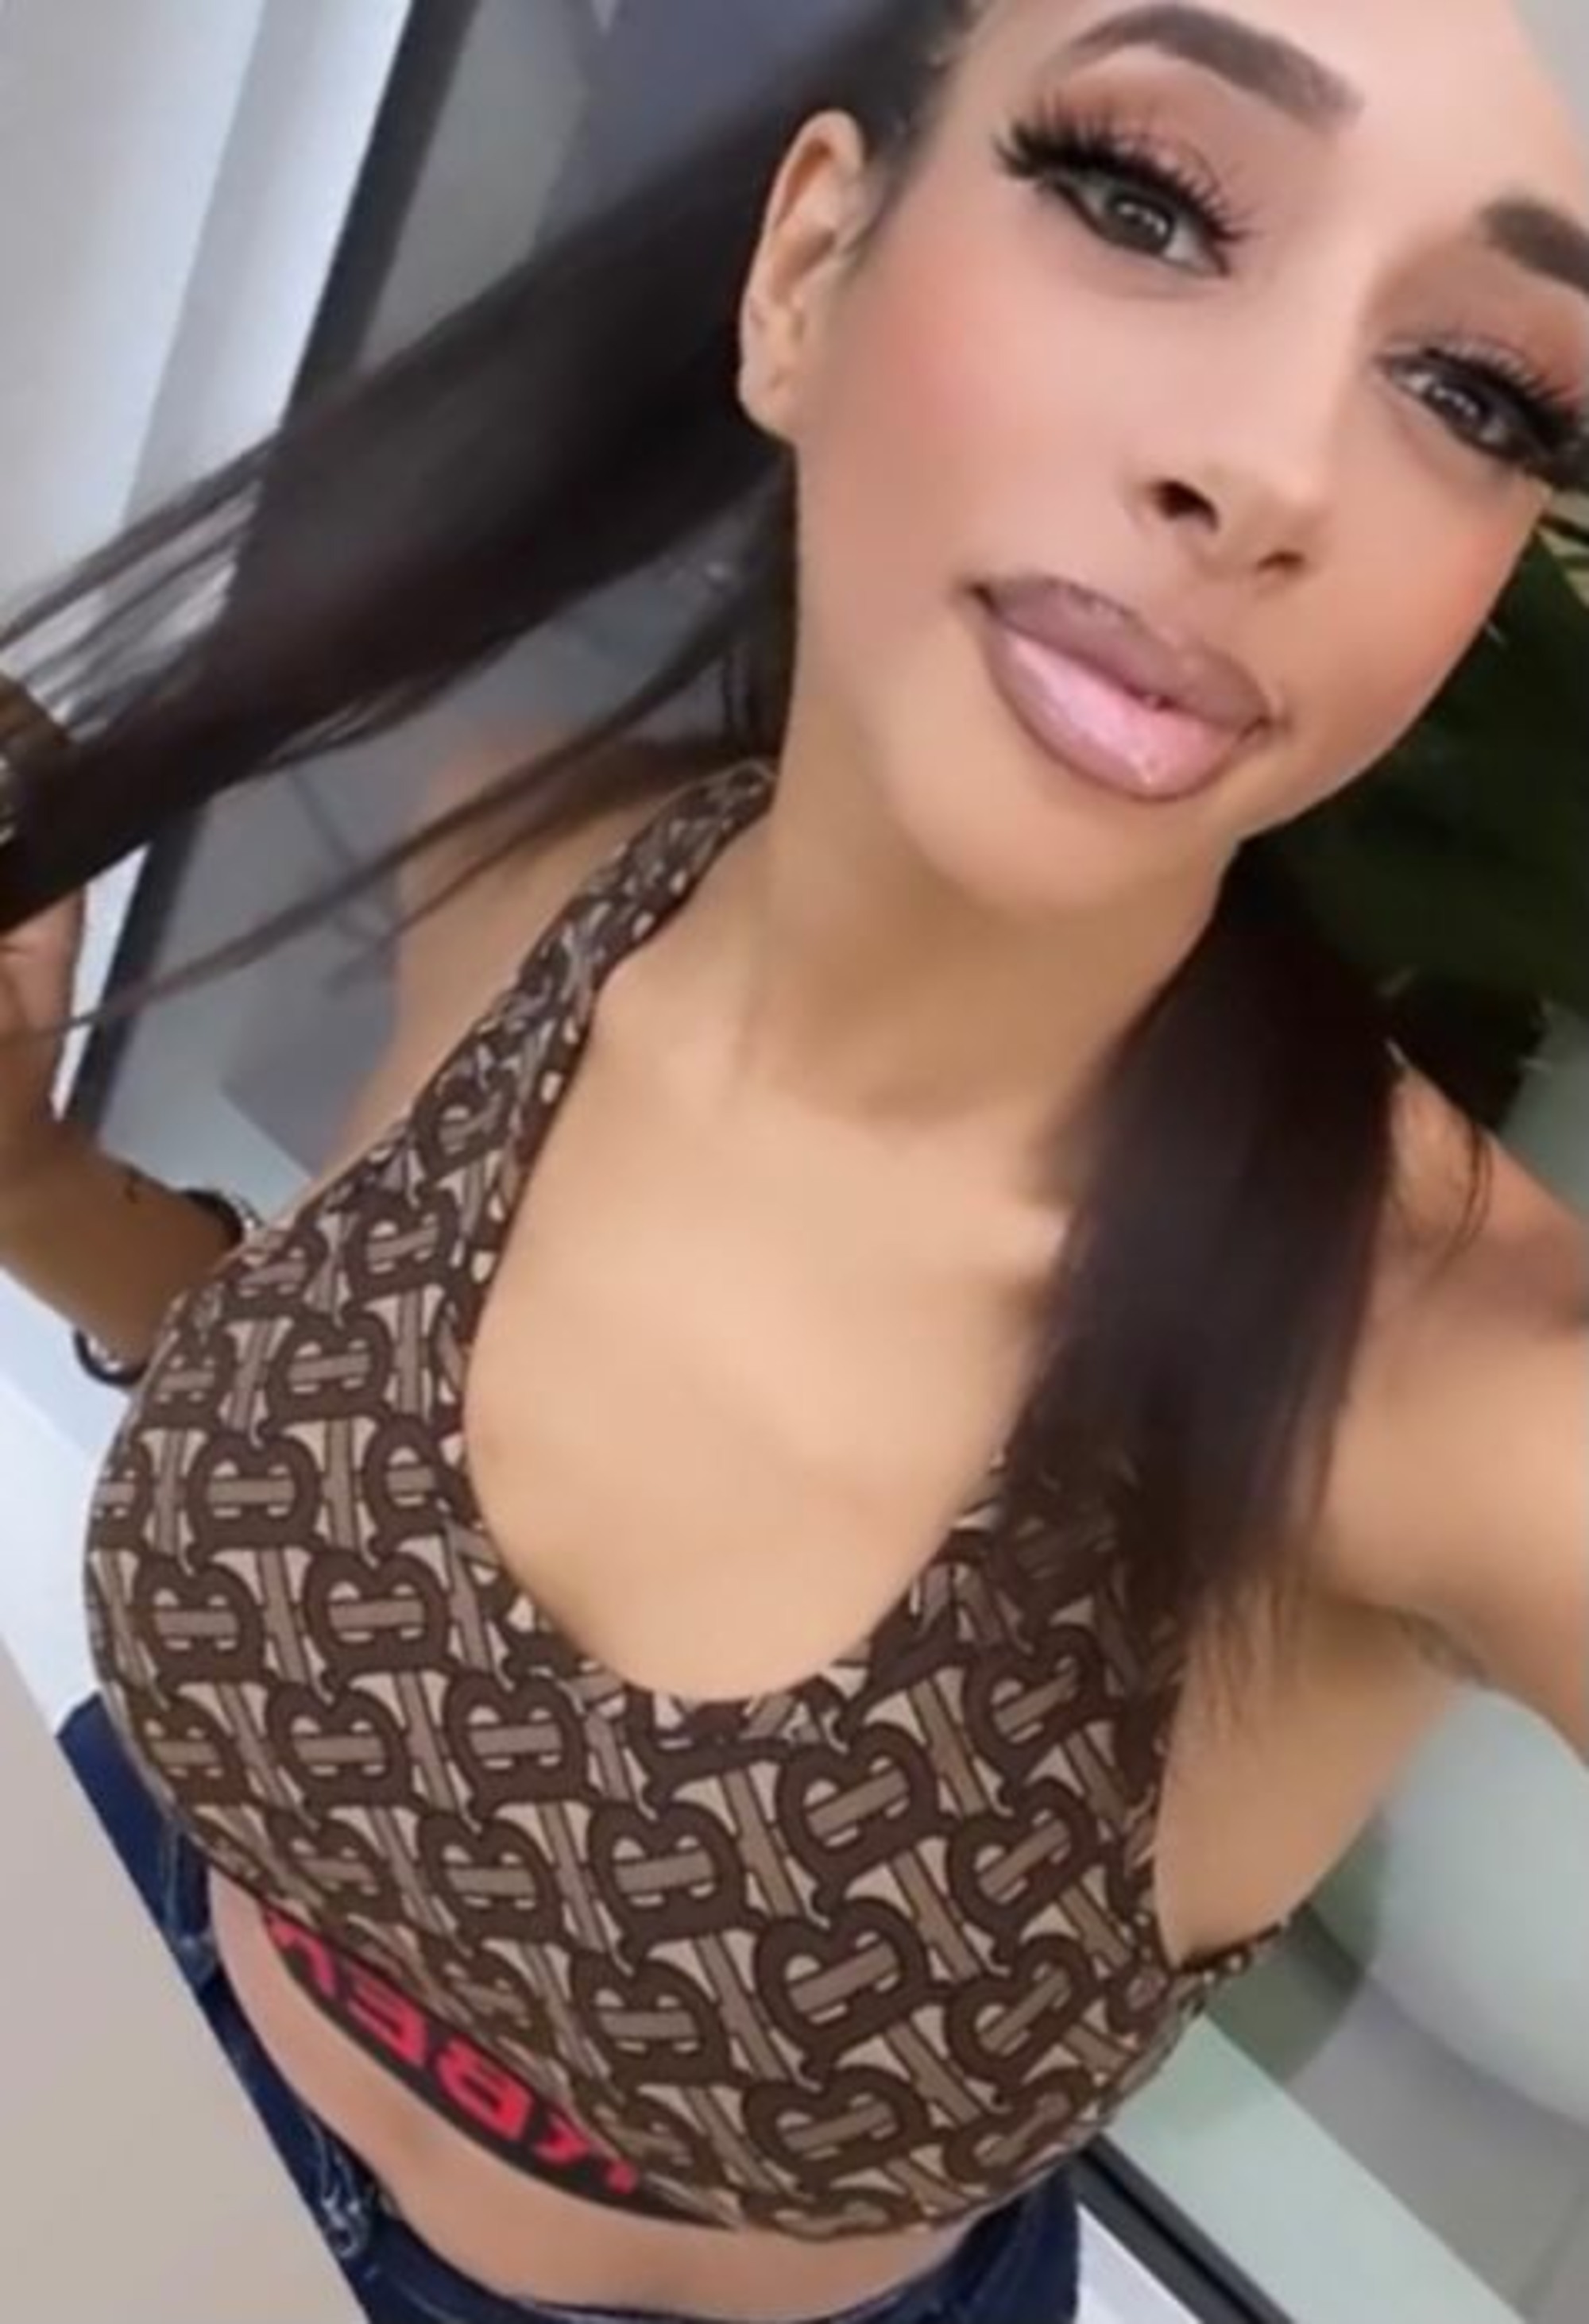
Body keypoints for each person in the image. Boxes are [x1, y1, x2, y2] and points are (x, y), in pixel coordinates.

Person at [0, 2, 1585, 2318]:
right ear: (810, 269)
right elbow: (318, 1449)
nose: (1273, 474)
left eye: (1478, 392)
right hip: (108, 2017)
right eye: (1146, 203)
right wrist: (27, 1187)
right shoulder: (525, 859)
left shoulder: (1467, 1387)